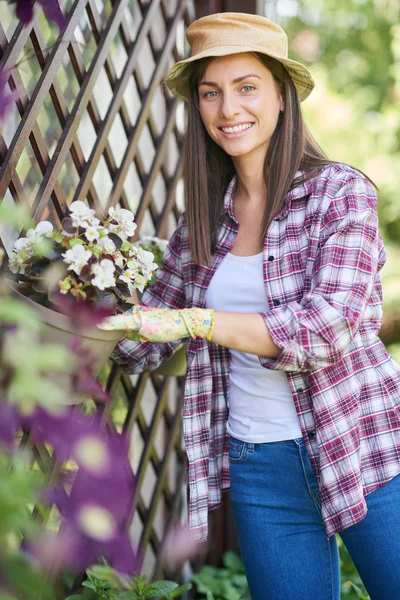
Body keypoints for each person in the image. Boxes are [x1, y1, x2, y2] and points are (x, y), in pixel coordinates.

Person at [101, 12, 400, 600]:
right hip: (260, 463)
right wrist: (74, 289)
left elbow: (323, 331)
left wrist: (196, 322)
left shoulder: (341, 194)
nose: (227, 108)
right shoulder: (204, 221)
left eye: (246, 87)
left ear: (282, 96)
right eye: (210, 92)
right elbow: (138, 338)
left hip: (364, 445)